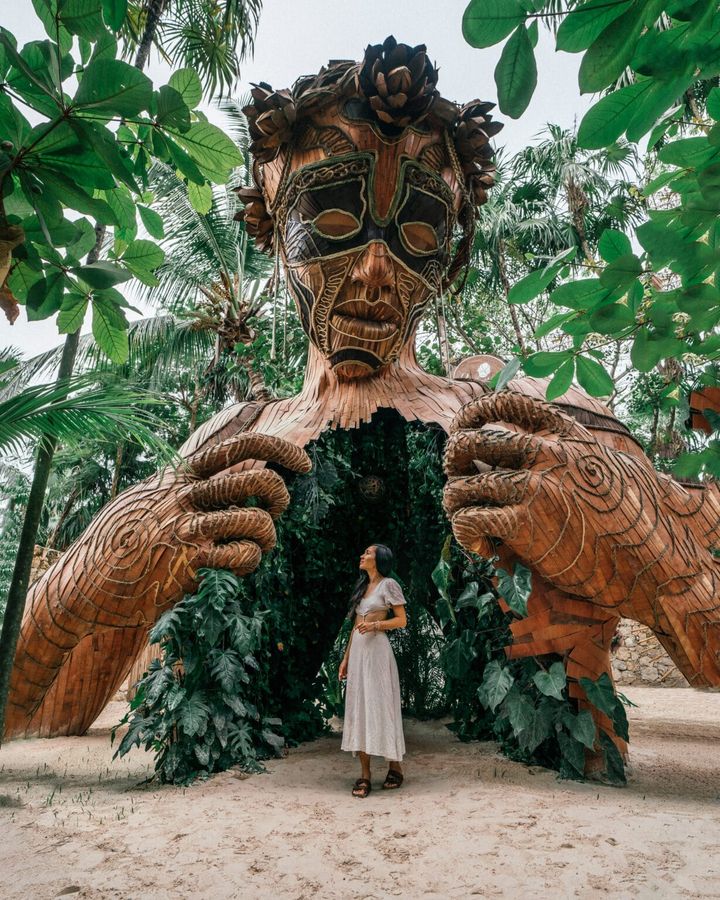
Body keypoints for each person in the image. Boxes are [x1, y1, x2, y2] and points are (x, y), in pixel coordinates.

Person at [339, 544, 408, 798]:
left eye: (367, 552)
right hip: (358, 654)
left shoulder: (388, 585)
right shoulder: (362, 587)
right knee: (360, 707)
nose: (362, 555)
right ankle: (365, 774)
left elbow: (402, 620)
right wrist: (346, 659)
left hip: (378, 653)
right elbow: (357, 625)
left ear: (379, 559)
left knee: (382, 705)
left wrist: (377, 624)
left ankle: (395, 766)